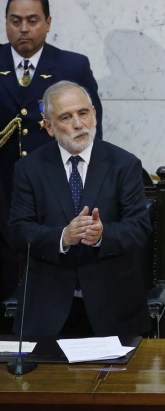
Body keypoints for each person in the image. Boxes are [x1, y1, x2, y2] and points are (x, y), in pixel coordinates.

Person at [8, 81, 149, 337]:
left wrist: (102, 235)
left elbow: (139, 228)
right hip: (48, 309)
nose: (78, 123)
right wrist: (63, 237)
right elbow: (18, 231)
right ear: (49, 127)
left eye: (83, 113)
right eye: (66, 117)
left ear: (94, 114)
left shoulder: (124, 165)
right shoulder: (29, 169)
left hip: (113, 307)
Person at [0, 0, 103, 313]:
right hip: (1, 186)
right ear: (6, 23)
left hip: (52, 186)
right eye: (15, 21)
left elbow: (89, 133)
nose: (24, 29)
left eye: (32, 20)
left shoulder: (72, 66)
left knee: (48, 275)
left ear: (48, 22)